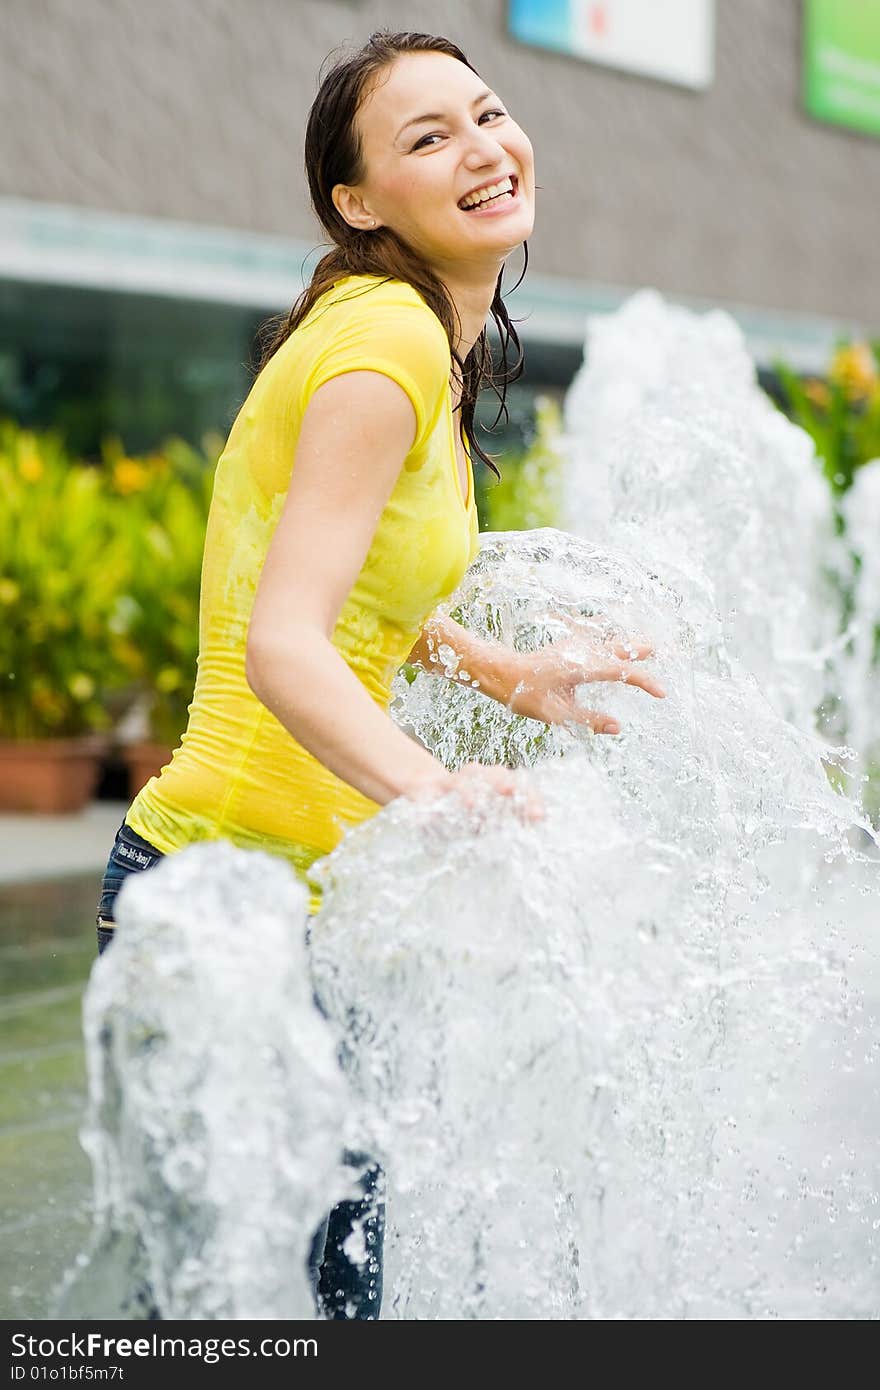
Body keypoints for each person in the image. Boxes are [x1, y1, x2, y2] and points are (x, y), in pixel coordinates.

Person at [94, 29, 665, 1320]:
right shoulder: (387, 345)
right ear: (358, 203)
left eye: (487, 113)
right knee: (279, 1310)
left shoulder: (407, 338)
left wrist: (505, 670)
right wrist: (438, 787)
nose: (481, 146)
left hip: (285, 900)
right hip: (219, 887)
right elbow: (283, 641)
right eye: (426, 137)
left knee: (282, 1301)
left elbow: (347, 590)